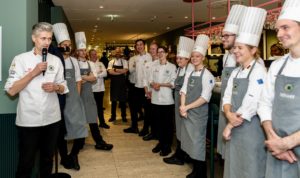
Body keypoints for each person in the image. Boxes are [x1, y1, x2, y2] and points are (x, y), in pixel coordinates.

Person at [4, 22, 68, 178]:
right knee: (26, 162)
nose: (46, 42)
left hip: (52, 119)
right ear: (34, 38)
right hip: (29, 121)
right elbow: (11, 90)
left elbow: (64, 86)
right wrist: (33, 73)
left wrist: (56, 87)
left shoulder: (56, 60)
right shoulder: (20, 59)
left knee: (47, 160)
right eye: (43, 38)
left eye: (49, 39)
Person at [222, 7, 267, 178]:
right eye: (235, 48)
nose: (235, 51)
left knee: (249, 167)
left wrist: (230, 123)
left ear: (253, 50)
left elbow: (252, 101)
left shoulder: (259, 71)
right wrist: (228, 112)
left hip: (250, 128)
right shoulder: (236, 71)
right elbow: (226, 96)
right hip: (235, 123)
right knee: (234, 165)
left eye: (240, 48)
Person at [257, 0, 300, 177]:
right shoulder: (277, 66)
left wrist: (289, 142)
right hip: (277, 147)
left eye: (285, 28)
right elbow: (264, 104)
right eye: (277, 29)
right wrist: (274, 139)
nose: (279, 34)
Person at [53, 23, 88, 170]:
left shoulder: (74, 61)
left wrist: (77, 98)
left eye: (69, 44)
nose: (67, 47)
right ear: (59, 46)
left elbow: (79, 80)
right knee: (61, 131)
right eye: (64, 44)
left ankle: (74, 154)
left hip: (73, 99)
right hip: (58, 101)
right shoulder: (54, 60)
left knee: (80, 130)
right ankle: (65, 157)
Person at [180, 35, 215, 178]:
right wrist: (182, 106)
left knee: (198, 143)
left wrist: (186, 107)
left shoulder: (208, 75)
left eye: (197, 56)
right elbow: (183, 90)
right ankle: (195, 170)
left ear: (203, 58)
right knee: (189, 141)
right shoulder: (190, 73)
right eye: (193, 56)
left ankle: (201, 173)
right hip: (187, 112)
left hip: (198, 113)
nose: (194, 58)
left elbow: (205, 98)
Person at [216, 4, 246, 159]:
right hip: (226, 108)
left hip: (240, 117)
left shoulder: (254, 64)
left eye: (227, 35)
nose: (223, 39)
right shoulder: (226, 56)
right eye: (223, 35)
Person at [75, 32, 113, 151]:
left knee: (92, 118)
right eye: (81, 50)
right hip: (77, 95)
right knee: (79, 120)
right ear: (77, 52)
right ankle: (79, 142)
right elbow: (75, 80)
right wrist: (86, 77)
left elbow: (94, 78)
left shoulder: (90, 63)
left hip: (88, 94)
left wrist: (82, 77)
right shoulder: (73, 62)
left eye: (84, 50)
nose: (83, 52)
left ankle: (99, 141)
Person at [163, 36, 194, 165]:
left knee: (185, 129)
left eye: (181, 58)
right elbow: (174, 84)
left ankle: (182, 155)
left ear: (188, 59)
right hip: (178, 101)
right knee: (180, 129)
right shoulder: (180, 69)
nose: (178, 60)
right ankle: (181, 153)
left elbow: (185, 88)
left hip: (185, 103)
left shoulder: (190, 69)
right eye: (177, 58)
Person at [150, 46, 177, 157]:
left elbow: (173, 83)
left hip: (167, 100)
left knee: (167, 125)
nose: (160, 54)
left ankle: (167, 146)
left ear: (166, 54)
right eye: (159, 52)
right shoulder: (154, 66)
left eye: (162, 52)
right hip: (155, 100)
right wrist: (153, 84)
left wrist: (160, 84)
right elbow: (150, 79)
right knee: (158, 124)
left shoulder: (172, 67)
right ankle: (160, 143)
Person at [124, 39, 152, 134]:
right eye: (137, 45)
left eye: (141, 44)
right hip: (136, 86)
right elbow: (131, 71)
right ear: (135, 47)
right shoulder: (135, 58)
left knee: (147, 109)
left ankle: (145, 129)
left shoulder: (149, 57)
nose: (139, 46)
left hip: (146, 87)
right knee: (133, 107)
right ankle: (134, 127)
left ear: (144, 45)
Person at [142, 42, 159, 140]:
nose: (152, 51)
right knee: (148, 113)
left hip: (157, 93)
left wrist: (153, 91)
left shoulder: (160, 63)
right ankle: (151, 132)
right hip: (148, 93)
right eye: (151, 49)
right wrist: (146, 91)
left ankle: (156, 133)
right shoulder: (147, 64)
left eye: (154, 49)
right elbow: (145, 78)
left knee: (156, 114)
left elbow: (159, 80)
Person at [89, 49, 110, 129]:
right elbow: (89, 75)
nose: (94, 56)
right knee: (92, 108)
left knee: (100, 107)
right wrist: (98, 73)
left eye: (95, 54)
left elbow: (105, 74)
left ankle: (102, 122)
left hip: (101, 88)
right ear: (89, 55)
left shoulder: (101, 63)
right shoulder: (87, 64)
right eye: (92, 54)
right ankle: (93, 124)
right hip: (91, 89)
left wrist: (95, 75)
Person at [107, 47, 128, 122]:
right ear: (114, 53)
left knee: (123, 101)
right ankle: (113, 116)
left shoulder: (124, 61)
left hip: (122, 84)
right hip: (114, 84)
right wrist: (120, 71)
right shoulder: (111, 62)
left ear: (121, 53)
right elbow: (110, 72)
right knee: (113, 101)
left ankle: (124, 116)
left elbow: (125, 71)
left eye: (119, 52)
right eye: (116, 52)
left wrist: (115, 70)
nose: (117, 54)